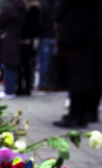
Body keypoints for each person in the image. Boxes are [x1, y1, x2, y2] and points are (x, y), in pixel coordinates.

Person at [53, 0, 100, 128]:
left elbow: (62, 7)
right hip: (91, 32)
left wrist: (57, 18)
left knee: (77, 75)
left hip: (75, 31)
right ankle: (86, 113)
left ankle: (75, 115)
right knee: (88, 74)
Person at [0, 0, 26, 99]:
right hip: (19, 38)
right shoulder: (23, 7)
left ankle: (9, 90)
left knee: (8, 65)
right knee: (13, 66)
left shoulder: (9, 7)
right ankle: (12, 89)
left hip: (9, 38)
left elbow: (0, 22)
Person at [17, 0, 41, 96]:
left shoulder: (32, 9)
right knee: (27, 66)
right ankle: (26, 87)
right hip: (28, 40)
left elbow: (30, 26)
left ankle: (24, 88)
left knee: (24, 66)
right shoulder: (33, 8)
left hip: (26, 40)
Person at [37, 0, 56, 90]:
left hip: (44, 36)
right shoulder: (56, 4)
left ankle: (42, 84)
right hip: (54, 36)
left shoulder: (42, 5)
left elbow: (39, 21)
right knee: (50, 62)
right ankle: (50, 83)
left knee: (44, 62)